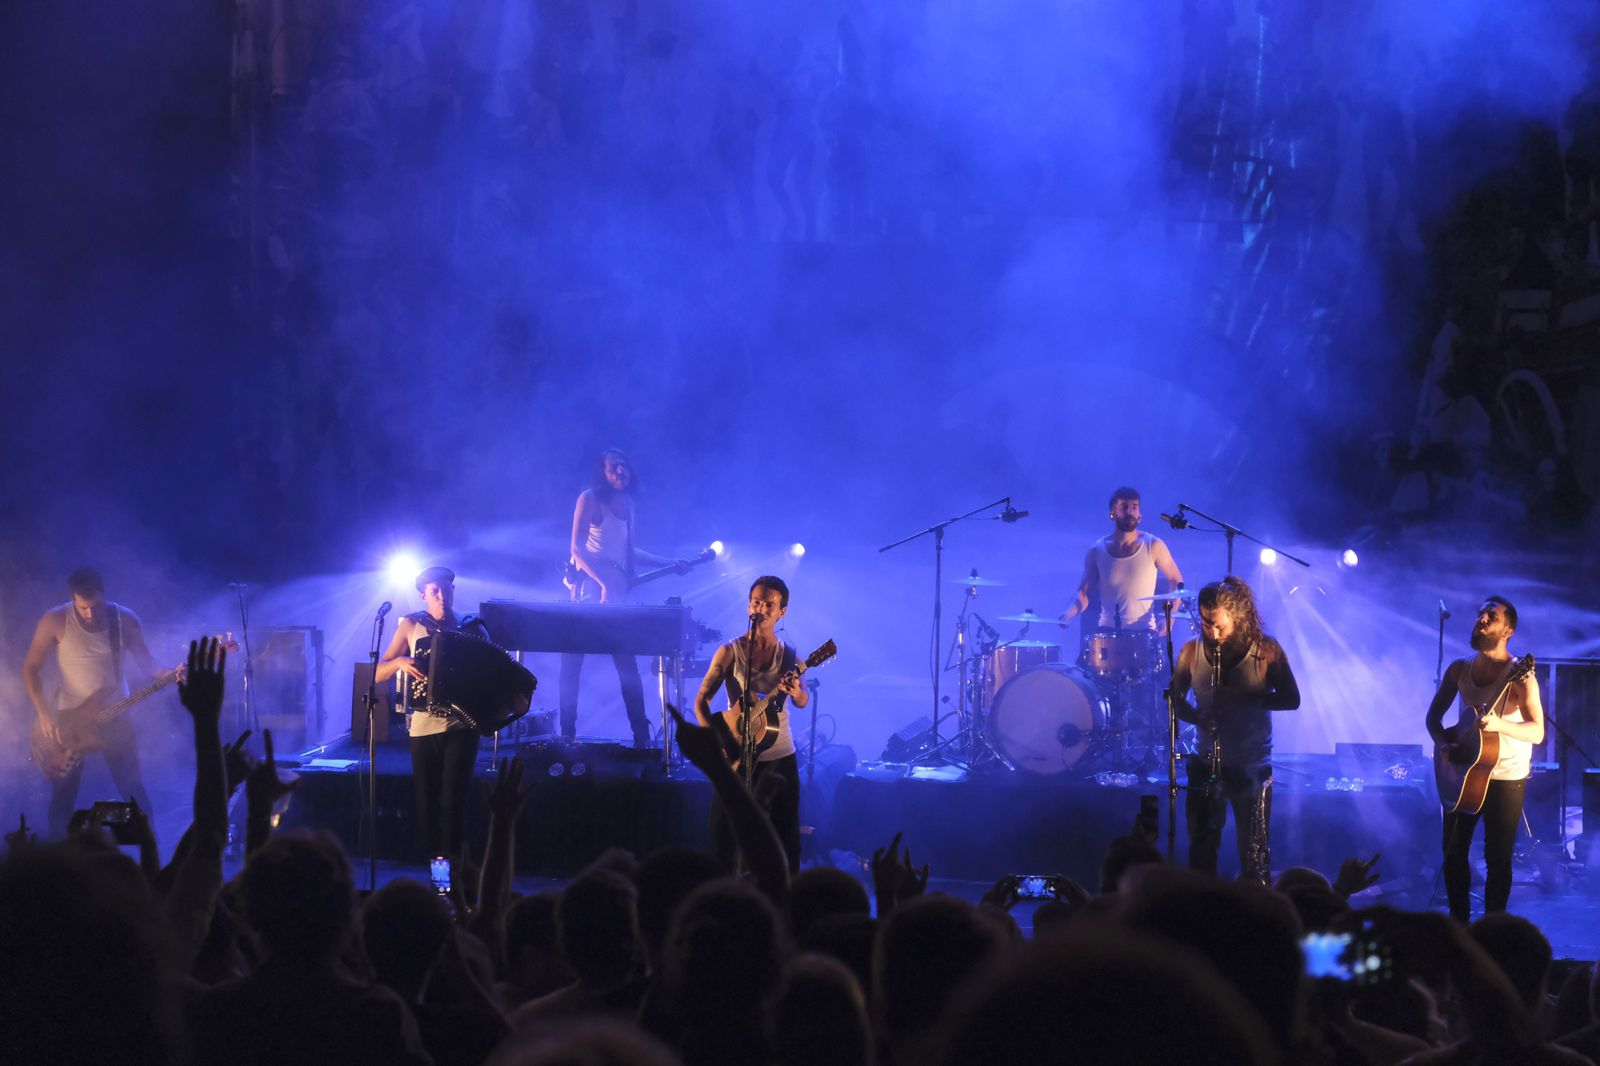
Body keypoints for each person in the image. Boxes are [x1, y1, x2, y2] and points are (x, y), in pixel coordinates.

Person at [1166, 576, 1300, 883]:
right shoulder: (1190, 652)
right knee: (1202, 847)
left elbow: (1292, 699)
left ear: (1236, 618)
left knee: (1254, 851)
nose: (1212, 633)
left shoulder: (1265, 650)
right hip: (1205, 763)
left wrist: (1248, 697)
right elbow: (1175, 700)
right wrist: (1198, 718)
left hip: (1251, 765)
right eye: (1205, 624)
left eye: (1219, 626)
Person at [23, 567, 167, 838]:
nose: (89, 613)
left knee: (133, 789)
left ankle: (152, 855)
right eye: (83, 607)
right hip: (70, 721)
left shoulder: (124, 619)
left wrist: (169, 673)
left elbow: (150, 666)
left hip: (115, 717)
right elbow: (30, 668)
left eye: (95, 606)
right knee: (63, 799)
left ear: (103, 593)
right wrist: (43, 713)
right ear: (73, 598)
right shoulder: (55, 619)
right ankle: (59, 863)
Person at [1425, 597, 1543, 923]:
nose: (1482, 618)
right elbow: (1433, 719)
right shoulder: (1459, 669)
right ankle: (1459, 925)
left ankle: (1494, 928)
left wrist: (1499, 724)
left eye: (1492, 615)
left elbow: (1537, 732)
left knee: (1497, 857)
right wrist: (1445, 747)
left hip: (1505, 774)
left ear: (1508, 630)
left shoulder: (1520, 675)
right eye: (1480, 613)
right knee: (1452, 853)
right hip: (1464, 773)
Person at [560, 448, 689, 747]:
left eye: (624, 468)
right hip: (590, 589)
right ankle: (567, 733)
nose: (620, 472)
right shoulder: (589, 498)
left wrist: (670, 563)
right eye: (613, 468)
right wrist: (602, 583)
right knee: (573, 661)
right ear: (602, 473)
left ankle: (641, 737)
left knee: (626, 663)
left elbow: (631, 553)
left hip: (616, 591)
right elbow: (577, 550)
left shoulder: (629, 505)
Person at [693, 576, 807, 873]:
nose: (762, 608)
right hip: (737, 757)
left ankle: (784, 906)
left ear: (782, 611)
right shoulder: (730, 652)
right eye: (757, 601)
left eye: (770, 604)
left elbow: (803, 700)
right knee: (725, 836)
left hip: (779, 755)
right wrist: (717, 743)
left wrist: (796, 691)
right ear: (748, 606)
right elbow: (701, 701)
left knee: (785, 838)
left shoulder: (792, 657)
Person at [376, 565, 488, 862]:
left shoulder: (472, 628)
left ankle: (455, 868)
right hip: (423, 725)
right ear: (422, 595)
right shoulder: (412, 625)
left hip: (461, 724)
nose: (442, 596)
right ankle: (435, 868)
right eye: (435, 591)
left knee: (454, 800)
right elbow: (377, 672)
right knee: (427, 801)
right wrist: (400, 662)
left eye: (446, 589)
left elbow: (490, 672)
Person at [1060, 486, 1185, 633]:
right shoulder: (1097, 550)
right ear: (1113, 513)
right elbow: (1083, 593)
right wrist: (1067, 614)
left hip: (1144, 633)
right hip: (1107, 634)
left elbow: (1177, 583)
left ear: (1140, 515)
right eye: (1124, 507)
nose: (1130, 512)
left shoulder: (1153, 545)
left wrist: (1170, 619)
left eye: (1134, 507)